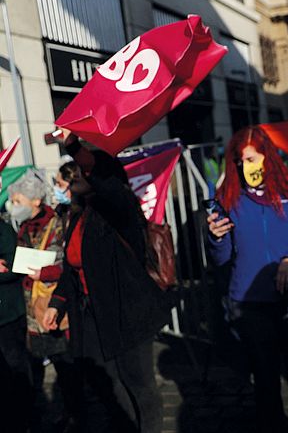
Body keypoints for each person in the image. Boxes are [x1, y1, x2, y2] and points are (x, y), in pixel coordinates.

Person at [43, 132, 168, 433]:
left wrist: (73, 146)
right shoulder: (78, 216)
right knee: (112, 387)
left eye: (83, 174)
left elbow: (103, 181)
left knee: (140, 386)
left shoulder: (118, 210)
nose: (74, 181)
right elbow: (73, 269)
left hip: (129, 311)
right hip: (95, 316)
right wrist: (57, 304)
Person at [206, 125, 288, 433]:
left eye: (255, 158)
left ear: (268, 158)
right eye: (243, 160)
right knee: (265, 381)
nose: (250, 166)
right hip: (251, 303)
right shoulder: (227, 200)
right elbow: (221, 258)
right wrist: (215, 238)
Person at [8, 170, 78, 430]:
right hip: (32, 307)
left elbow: (65, 264)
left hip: (52, 304)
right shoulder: (25, 226)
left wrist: (44, 272)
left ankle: (75, 414)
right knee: (37, 362)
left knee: (64, 364)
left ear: (35, 201)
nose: (13, 206)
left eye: (17, 201)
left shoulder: (57, 222)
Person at [0, 207, 32, 433]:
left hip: (8, 315)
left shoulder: (3, 231)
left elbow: (15, 266)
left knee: (14, 369)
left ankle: (23, 420)